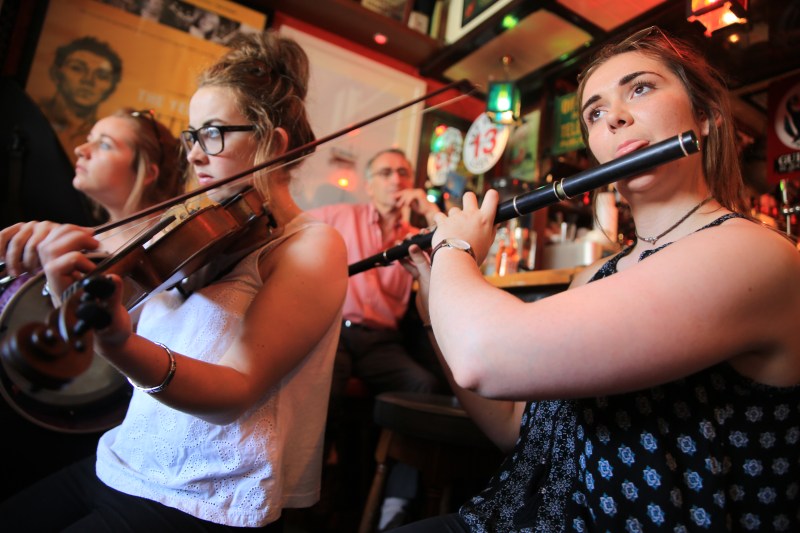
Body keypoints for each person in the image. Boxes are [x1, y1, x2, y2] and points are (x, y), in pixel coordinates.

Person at [396, 26, 800, 531]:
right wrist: (434, 299)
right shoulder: (592, 277)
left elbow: (484, 357)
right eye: (594, 112)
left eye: (640, 88)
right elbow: (515, 428)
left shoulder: (752, 253)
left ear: (706, 116)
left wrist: (454, 248)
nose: (614, 117)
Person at [0, 30, 348, 531]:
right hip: (122, 460)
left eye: (213, 133)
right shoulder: (199, 236)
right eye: (192, 136)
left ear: (272, 142)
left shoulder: (312, 245)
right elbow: (99, 342)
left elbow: (235, 390)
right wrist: (63, 284)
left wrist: (119, 343)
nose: (195, 154)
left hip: (202, 498)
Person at [0, 107, 185, 501]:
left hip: (66, 426)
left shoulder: (157, 256)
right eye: (89, 140)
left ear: (147, 172)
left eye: (104, 145)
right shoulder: (86, 237)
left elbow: (101, 360)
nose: (81, 150)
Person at [309, 148, 445, 530]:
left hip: (382, 342)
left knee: (423, 385)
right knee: (322, 381)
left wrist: (429, 208)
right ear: (369, 185)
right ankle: (311, 491)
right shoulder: (341, 215)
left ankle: (396, 501)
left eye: (403, 172)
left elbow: (459, 246)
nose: (395, 180)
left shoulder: (416, 236)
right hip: (336, 332)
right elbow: (290, 227)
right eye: (385, 172)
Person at [39, 36, 123, 164]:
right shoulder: (33, 115)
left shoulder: (105, 139)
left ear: (111, 88)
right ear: (56, 73)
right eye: (77, 68)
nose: (88, 81)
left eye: (101, 75)